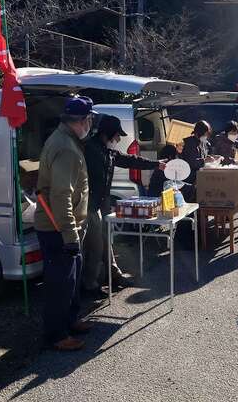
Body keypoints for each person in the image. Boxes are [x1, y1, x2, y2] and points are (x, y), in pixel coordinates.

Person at [34, 96, 96, 351]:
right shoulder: (67, 148)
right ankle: (56, 334)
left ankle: (71, 320)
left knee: (71, 278)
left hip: (65, 226)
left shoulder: (66, 140)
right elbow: (61, 195)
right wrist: (70, 235)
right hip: (57, 228)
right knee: (60, 282)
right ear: (82, 121)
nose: (90, 124)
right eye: (89, 119)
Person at [82, 115, 162, 295]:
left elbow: (130, 160)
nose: (119, 139)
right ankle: (90, 285)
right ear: (108, 133)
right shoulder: (90, 149)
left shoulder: (108, 151)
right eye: (117, 135)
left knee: (105, 239)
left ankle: (114, 274)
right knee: (95, 244)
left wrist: (157, 165)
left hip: (102, 202)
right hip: (89, 204)